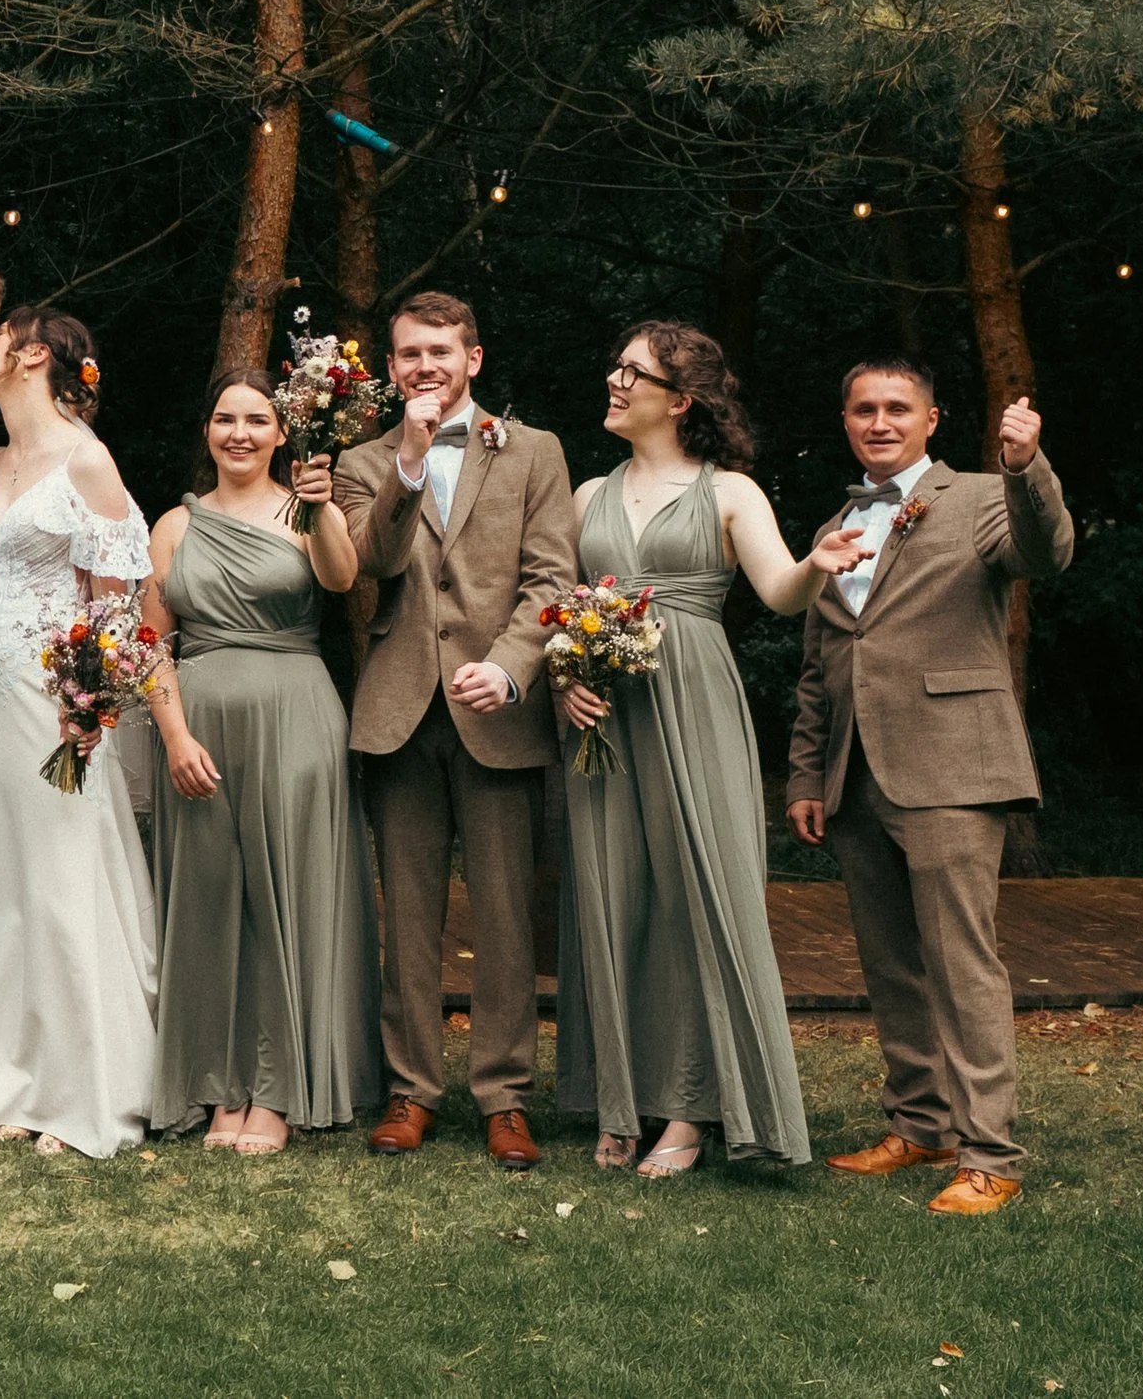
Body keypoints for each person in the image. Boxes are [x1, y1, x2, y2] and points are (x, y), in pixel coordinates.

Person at [550, 324, 868, 1177]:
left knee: (696, 894)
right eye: (616, 366)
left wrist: (817, 563)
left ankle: (690, 1110)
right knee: (610, 895)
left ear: (679, 399)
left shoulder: (730, 492)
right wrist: (564, 678)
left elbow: (779, 591)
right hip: (605, 716)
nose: (615, 380)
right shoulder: (586, 495)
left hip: (692, 701)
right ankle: (619, 1100)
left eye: (633, 372)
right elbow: (560, 605)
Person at [786, 358, 1072, 1216]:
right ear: (846, 420)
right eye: (863, 409)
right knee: (891, 965)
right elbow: (820, 663)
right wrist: (807, 772)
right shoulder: (838, 522)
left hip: (952, 764)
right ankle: (922, 1123)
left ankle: (991, 1153)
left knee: (960, 963)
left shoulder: (983, 496)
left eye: (897, 408)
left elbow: (1045, 550)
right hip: (855, 773)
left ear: (932, 419)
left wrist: (1025, 466)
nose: (880, 421)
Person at [331, 292, 576, 1170]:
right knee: (409, 916)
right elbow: (371, 562)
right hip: (399, 712)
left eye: (439, 350)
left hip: (497, 712)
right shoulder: (362, 461)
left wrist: (510, 667)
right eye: (408, 353)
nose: (424, 365)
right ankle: (412, 1089)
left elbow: (551, 577)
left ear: (473, 358)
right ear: (391, 367)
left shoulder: (535, 451)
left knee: (506, 915)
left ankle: (505, 1097)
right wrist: (407, 456)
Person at [140, 371, 381, 1153]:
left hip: (294, 718)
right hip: (200, 729)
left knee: (285, 899)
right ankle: (218, 1082)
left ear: (282, 433)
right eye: (224, 419)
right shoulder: (175, 524)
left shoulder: (305, 509)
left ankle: (277, 1089)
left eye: (256, 420)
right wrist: (175, 736)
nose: (238, 433)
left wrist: (321, 504)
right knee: (210, 901)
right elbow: (152, 643)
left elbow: (342, 577)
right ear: (206, 430)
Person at [0, 307, 159, 1158]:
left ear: (33, 354)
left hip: (56, 705)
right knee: (5, 887)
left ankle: (79, 1089)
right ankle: (9, 1075)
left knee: (64, 882)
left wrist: (91, 701)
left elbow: (117, 603)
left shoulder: (86, 460)